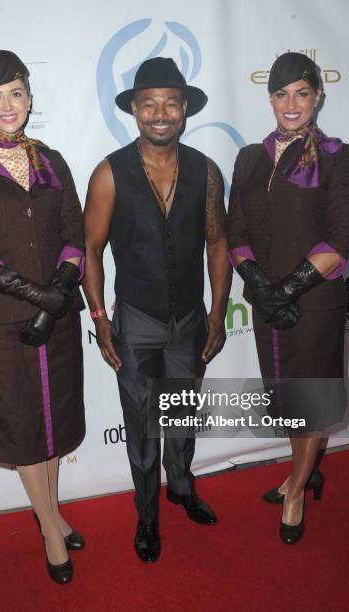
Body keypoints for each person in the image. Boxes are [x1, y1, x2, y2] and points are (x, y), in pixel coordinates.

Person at [0, 50, 86, 584]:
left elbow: (75, 235)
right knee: (25, 424)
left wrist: (59, 293)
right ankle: (50, 527)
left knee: (53, 421)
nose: (8, 105)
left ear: (30, 98)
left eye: (17, 92)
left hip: (59, 316)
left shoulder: (52, 159)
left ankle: (50, 509)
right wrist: (37, 295)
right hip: (3, 321)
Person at [83, 57, 231, 563]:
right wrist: (101, 321)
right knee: (144, 427)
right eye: (150, 104)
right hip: (138, 324)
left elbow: (218, 244)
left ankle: (182, 487)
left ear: (185, 109)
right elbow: (90, 252)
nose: (160, 113)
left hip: (190, 320)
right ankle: (147, 516)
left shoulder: (206, 171)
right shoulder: (109, 173)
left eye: (170, 103)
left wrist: (217, 313)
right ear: (135, 111)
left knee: (183, 414)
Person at [227, 52, 349, 544]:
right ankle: (301, 470)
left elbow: (341, 239)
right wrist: (260, 285)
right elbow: (234, 228)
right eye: (281, 93)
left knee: (312, 400)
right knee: (286, 397)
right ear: (270, 98)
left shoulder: (337, 156)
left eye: (301, 92)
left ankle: (298, 490)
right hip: (267, 304)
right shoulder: (250, 157)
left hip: (315, 302)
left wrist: (289, 288)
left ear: (318, 96)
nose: (290, 103)